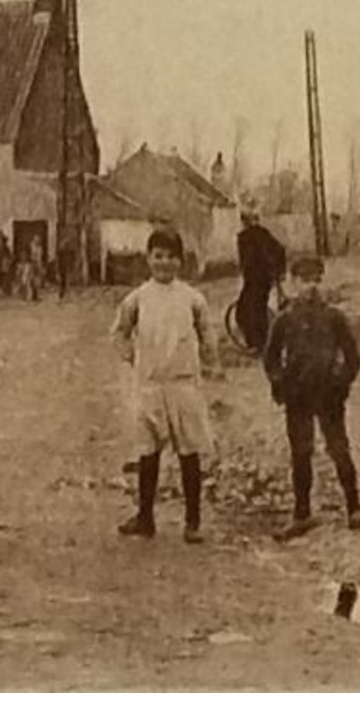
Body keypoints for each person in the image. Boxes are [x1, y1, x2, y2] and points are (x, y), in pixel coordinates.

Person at [111, 227, 219, 543]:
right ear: (148, 259)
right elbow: (119, 331)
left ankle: (193, 522)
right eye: (158, 256)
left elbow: (207, 334)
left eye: (171, 257)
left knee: (189, 452)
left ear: (180, 261)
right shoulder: (138, 298)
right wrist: (132, 356)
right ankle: (145, 518)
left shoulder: (192, 298)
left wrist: (212, 365)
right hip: (150, 385)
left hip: (183, 385)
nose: (164, 263)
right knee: (148, 452)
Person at [262, 254, 360, 540]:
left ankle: (355, 507)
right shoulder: (285, 320)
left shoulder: (334, 318)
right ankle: (301, 512)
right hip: (298, 394)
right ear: (291, 282)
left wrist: (341, 382)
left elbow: (353, 357)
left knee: (339, 448)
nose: (310, 287)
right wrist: (280, 383)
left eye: (316, 280)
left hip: (328, 395)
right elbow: (270, 357)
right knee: (301, 452)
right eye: (304, 280)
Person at [235, 202, 286, 354]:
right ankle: (261, 343)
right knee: (258, 309)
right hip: (266, 279)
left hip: (255, 280)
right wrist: (279, 271)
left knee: (246, 311)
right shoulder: (264, 233)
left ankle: (257, 344)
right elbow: (280, 250)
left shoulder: (245, 237)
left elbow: (248, 262)